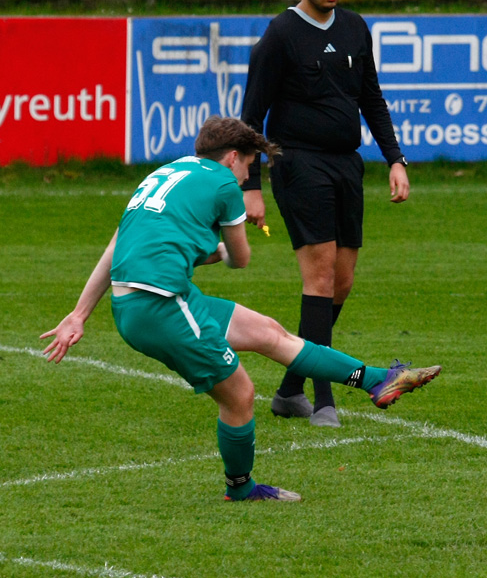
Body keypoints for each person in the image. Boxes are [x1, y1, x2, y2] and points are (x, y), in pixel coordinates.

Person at [40, 116, 438, 502]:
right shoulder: (222, 184)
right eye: (249, 165)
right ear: (232, 157)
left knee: (269, 333)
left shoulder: (163, 174)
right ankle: (241, 488)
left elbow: (117, 247)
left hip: (147, 300)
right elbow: (240, 259)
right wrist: (224, 246)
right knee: (240, 395)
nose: (247, 176)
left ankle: (376, 380)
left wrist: (79, 314)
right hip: (161, 307)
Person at [240, 0, 410, 428]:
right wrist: (250, 185)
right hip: (298, 165)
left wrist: (393, 158)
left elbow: (371, 98)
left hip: (346, 165)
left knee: (342, 282)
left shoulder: (356, 28)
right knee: (317, 279)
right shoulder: (279, 36)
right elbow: (251, 118)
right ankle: (324, 400)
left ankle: (291, 387)